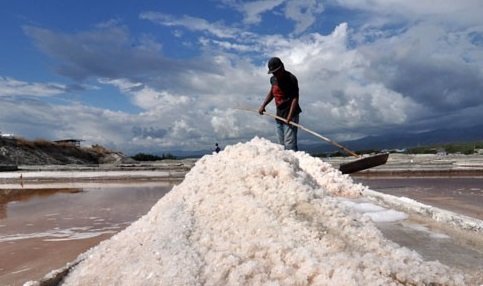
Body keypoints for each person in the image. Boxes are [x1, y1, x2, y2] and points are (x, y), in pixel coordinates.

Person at [258, 57, 302, 151]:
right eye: (273, 72)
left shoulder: (291, 79)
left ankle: (293, 164)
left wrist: (290, 116)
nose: (275, 74)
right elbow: (272, 93)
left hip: (291, 115)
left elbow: (295, 98)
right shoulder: (273, 79)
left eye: (276, 72)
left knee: (289, 144)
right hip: (279, 115)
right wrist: (263, 106)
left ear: (282, 68)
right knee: (281, 145)